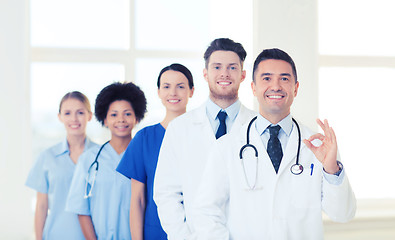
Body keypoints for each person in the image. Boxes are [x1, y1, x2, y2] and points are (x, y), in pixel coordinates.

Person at [192, 48, 357, 240]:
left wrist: (331, 169)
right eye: (267, 78)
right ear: (253, 88)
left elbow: (343, 214)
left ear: (296, 88)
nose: (276, 86)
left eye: (284, 79)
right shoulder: (227, 147)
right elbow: (205, 212)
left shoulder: (319, 147)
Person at [153, 38, 256, 239]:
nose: (224, 73)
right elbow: (166, 194)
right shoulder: (180, 128)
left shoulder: (258, 127)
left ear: (243, 75)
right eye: (217, 67)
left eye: (232, 67)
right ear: (205, 74)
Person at [117, 63, 195, 240]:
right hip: (156, 232)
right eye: (166, 87)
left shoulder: (205, 135)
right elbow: (137, 200)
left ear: (191, 91)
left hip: (198, 231)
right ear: (159, 92)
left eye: (180, 87)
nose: (173, 93)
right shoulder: (144, 139)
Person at [65, 82, 147, 240]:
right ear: (105, 119)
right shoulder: (89, 159)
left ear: (137, 117)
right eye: (114, 114)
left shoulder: (144, 156)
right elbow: (81, 209)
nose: (121, 120)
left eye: (127, 114)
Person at [25, 91, 98, 240]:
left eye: (80, 112)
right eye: (67, 113)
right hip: (55, 234)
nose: (74, 119)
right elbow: (41, 206)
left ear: (90, 116)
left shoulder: (101, 155)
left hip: (93, 235)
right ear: (60, 117)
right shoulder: (47, 157)